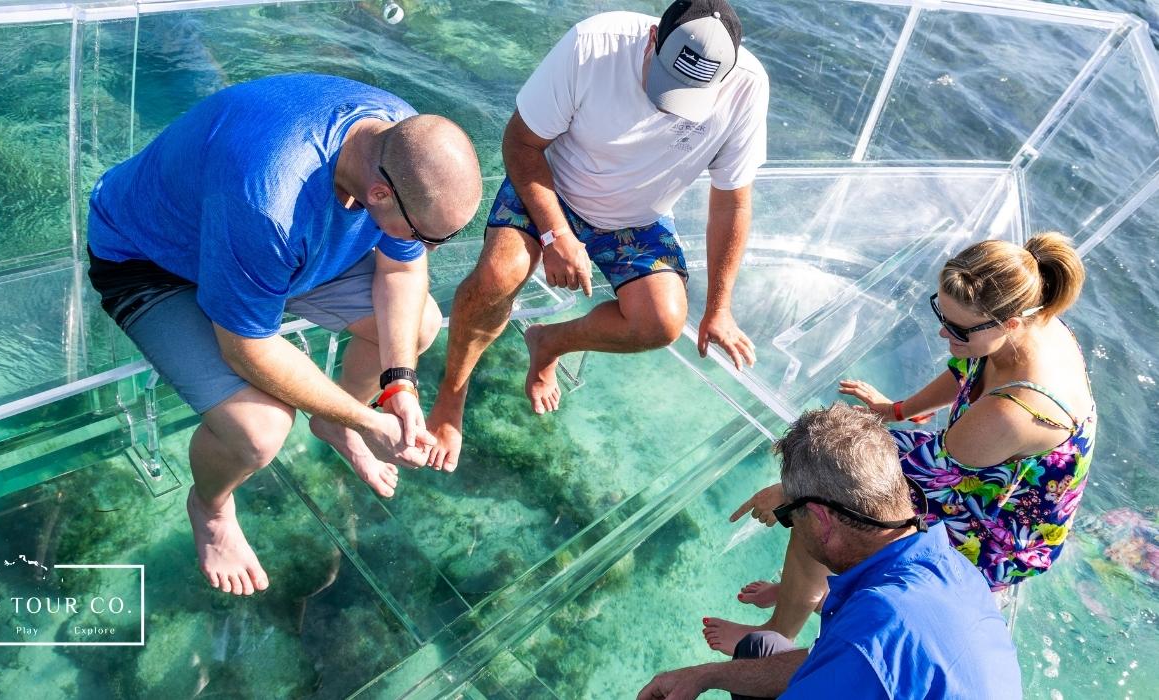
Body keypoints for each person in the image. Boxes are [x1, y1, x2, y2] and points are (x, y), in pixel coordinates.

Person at [85, 74, 482, 596]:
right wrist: (368, 420)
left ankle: (334, 423)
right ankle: (210, 509)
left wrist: (399, 386)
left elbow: (402, 271)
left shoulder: (399, 140)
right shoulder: (270, 200)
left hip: (275, 255)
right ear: (380, 193)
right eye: (427, 235)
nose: (429, 248)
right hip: (153, 261)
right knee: (259, 430)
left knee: (421, 323)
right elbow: (245, 349)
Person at [703, 232, 1094, 653]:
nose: (943, 333)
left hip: (993, 523)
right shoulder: (1028, 320)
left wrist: (791, 493)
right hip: (965, 462)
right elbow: (970, 369)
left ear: (1009, 324)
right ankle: (805, 591)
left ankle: (779, 631)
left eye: (956, 329)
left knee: (820, 516)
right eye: (940, 313)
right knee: (828, 474)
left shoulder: (1013, 413)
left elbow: (914, 478)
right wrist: (897, 410)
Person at [424, 0, 769, 471]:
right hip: (553, 186)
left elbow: (732, 202)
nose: (669, 105)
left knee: (661, 322)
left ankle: (549, 342)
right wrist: (555, 235)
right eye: (668, 78)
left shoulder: (748, 87)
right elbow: (520, 143)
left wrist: (720, 308)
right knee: (497, 277)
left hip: (639, 216)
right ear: (653, 39)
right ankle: (452, 393)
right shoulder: (594, 44)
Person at [638, 404, 1021, 700]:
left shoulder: (871, 639)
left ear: (821, 520)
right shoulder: (950, 566)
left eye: (789, 516)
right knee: (762, 647)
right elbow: (833, 659)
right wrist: (706, 675)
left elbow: (860, 658)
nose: (791, 526)